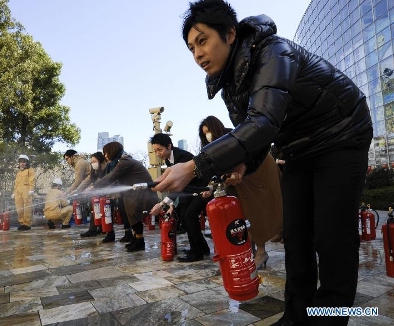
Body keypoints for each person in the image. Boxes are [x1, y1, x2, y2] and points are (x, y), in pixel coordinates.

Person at [155, 1, 373, 325]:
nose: (197, 54)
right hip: (298, 148)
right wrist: (244, 164)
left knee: (332, 239)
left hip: (341, 133)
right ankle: (295, 316)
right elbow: (254, 137)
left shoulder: (273, 52)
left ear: (230, 34)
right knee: (297, 237)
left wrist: (194, 166)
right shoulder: (230, 86)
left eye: (202, 41)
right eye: (191, 48)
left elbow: (263, 122)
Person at [199, 115, 283, 269]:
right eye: (204, 133)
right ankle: (249, 251)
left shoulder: (232, 137)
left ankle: (261, 252)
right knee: (242, 215)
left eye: (209, 131)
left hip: (257, 173)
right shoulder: (211, 149)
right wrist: (210, 187)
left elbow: (248, 156)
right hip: (239, 180)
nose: (208, 135)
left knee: (256, 212)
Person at [149, 133, 210, 262]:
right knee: (184, 217)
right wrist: (171, 205)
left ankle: (197, 253)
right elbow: (176, 186)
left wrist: (162, 204)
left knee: (189, 215)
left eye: (160, 149)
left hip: (202, 189)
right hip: (189, 191)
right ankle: (202, 248)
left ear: (169, 146)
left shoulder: (183, 157)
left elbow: (180, 184)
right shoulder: (168, 159)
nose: (158, 153)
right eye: (155, 151)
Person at [93, 142, 158, 252]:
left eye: (106, 153)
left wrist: (95, 186)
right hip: (135, 192)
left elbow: (111, 177)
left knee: (134, 215)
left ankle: (139, 241)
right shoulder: (122, 160)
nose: (105, 156)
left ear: (112, 151)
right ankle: (136, 239)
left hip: (141, 192)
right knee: (131, 215)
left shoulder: (124, 162)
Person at [78, 152, 134, 243]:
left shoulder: (109, 166)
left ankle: (128, 233)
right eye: (91, 162)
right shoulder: (95, 171)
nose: (93, 163)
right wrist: (79, 191)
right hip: (106, 194)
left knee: (122, 213)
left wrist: (96, 188)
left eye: (94, 161)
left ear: (100, 160)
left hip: (116, 193)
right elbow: (89, 181)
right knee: (106, 213)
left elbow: (109, 180)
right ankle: (109, 233)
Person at [13, 154, 35, 231]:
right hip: (18, 190)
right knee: (19, 208)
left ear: (27, 162)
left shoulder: (30, 170)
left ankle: (27, 224)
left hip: (26, 189)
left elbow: (32, 180)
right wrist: (14, 192)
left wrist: (31, 189)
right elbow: (16, 183)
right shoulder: (19, 172)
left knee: (27, 207)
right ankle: (22, 223)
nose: (22, 163)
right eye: (20, 161)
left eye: (24, 161)